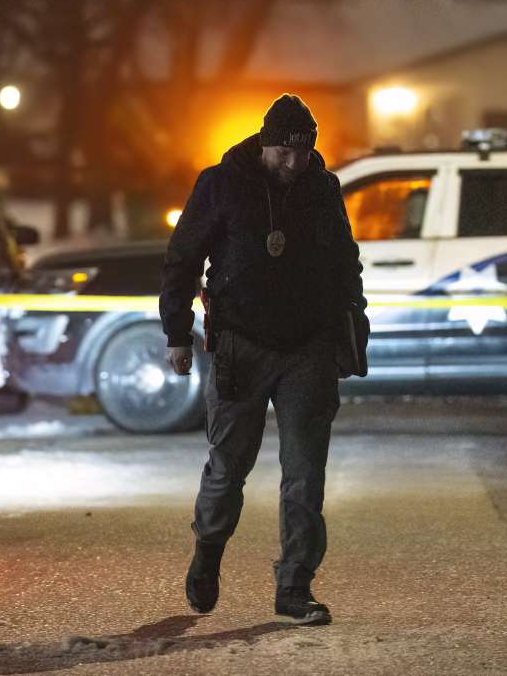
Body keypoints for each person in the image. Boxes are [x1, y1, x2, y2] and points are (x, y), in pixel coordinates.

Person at [159, 94, 366, 626]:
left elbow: (347, 264)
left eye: (303, 152)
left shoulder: (323, 189)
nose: (294, 163)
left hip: (309, 349)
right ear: (265, 143)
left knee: (305, 473)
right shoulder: (221, 184)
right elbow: (182, 259)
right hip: (241, 348)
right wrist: (177, 334)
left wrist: (353, 328)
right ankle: (207, 553)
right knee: (228, 470)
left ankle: (295, 585)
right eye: (284, 152)